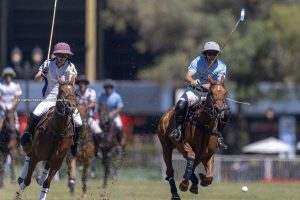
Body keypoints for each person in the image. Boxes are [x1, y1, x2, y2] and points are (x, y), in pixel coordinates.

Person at [19, 42, 84, 179]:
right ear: (55, 55)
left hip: (65, 99)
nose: (61, 57)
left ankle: (74, 145)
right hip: (49, 98)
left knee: (79, 123)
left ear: (67, 56)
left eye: (64, 55)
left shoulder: (70, 67)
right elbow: (36, 80)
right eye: (59, 55)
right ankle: (27, 134)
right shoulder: (48, 64)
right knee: (35, 114)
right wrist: (43, 73)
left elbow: (72, 82)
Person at [169, 41, 231, 149]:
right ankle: (178, 130)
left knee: (226, 111)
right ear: (205, 54)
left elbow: (219, 83)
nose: (212, 56)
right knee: (180, 105)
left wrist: (209, 86)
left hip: (210, 94)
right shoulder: (197, 61)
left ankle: (219, 136)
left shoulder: (222, 66)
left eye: (214, 54)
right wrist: (193, 81)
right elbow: (187, 76)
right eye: (210, 53)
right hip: (195, 91)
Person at [75, 74, 103, 157]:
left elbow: (93, 104)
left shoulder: (91, 92)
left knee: (98, 132)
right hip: (77, 118)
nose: (82, 84)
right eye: (80, 83)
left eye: (83, 83)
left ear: (86, 84)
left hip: (88, 118)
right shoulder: (75, 92)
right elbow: (73, 104)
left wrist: (84, 107)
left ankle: (98, 150)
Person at [98, 79, 124, 145]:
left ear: (112, 88)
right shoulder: (101, 96)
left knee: (119, 126)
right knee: (96, 127)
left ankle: (119, 143)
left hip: (114, 116)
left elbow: (120, 108)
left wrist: (113, 113)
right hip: (103, 116)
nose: (108, 89)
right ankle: (98, 146)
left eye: (109, 87)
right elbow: (99, 107)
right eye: (106, 88)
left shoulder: (116, 96)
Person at [0, 67, 22, 131]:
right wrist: (3, 106)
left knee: (16, 125)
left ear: (12, 76)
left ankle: (18, 138)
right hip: (2, 108)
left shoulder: (16, 85)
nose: (8, 76)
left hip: (12, 108)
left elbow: (17, 98)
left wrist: (11, 107)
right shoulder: (1, 85)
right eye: (7, 75)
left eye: (10, 75)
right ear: (4, 76)